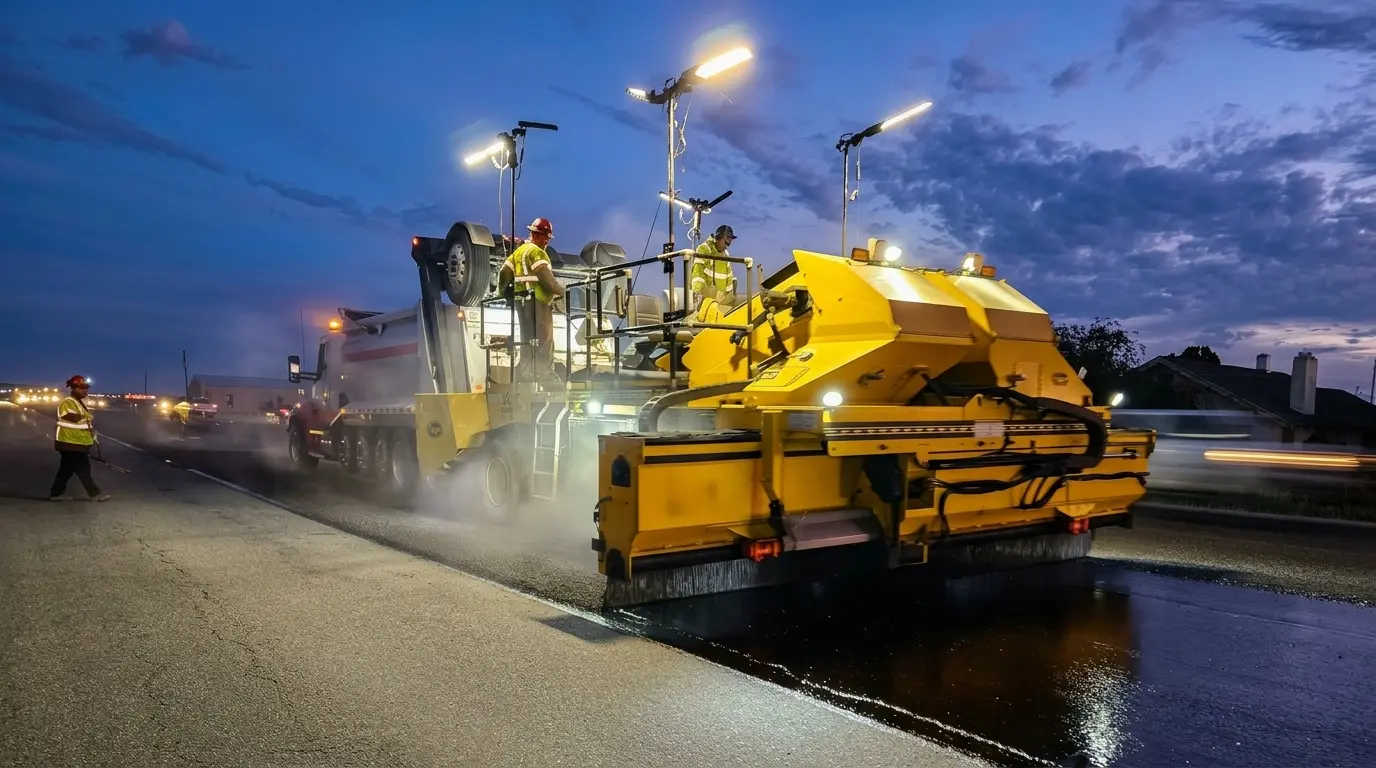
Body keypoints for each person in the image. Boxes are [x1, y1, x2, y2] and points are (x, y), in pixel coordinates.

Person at [497, 217, 565, 387]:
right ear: (537, 235)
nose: (547, 241)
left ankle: (525, 373)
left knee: (527, 338)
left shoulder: (518, 253)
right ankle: (545, 374)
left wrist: (503, 293)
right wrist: (562, 291)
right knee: (544, 339)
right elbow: (547, 280)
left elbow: (503, 274)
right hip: (539, 302)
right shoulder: (537, 253)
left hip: (522, 303)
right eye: (546, 237)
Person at [49, 375, 111, 502]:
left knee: (66, 469)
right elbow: (73, 418)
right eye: (82, 388)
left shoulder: (78, 402)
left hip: (75, 442)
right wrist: (88, 417)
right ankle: (95, 494)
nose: (85, 391)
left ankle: (56, 493)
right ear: (73, 388)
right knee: (83, 468)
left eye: (86, 388)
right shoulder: (68, 402)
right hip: (70, 442)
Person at [691, 224, 738, 310]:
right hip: (705, 303)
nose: (726, 247)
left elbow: (729, 282)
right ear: (719, 238)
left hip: (721, 304)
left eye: (729, 244)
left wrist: (730, 300)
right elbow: (698, 275)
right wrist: (697, 294)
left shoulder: (725, 256)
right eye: (726, 243)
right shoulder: (704, 249)